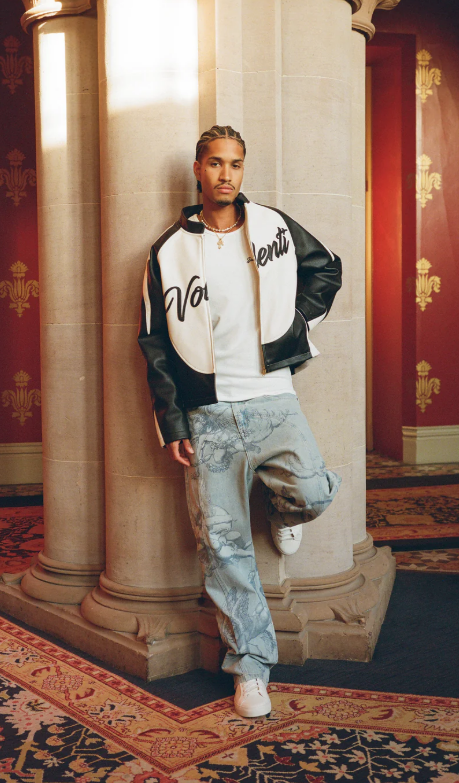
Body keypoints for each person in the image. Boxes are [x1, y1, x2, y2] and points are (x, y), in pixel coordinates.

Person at [138, 124, 342, 718]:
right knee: (222, 548)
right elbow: (154, 342)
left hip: (273, 397)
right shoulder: (168, 250)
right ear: (198, 169)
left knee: (311, 490)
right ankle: (251, 668)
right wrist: (173, 422)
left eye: (235, 164)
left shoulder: (273, 226)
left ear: (243, 170)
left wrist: (293, 328)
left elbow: (327, 270)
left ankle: (284, 510)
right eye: (215, 163)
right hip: (208, 413)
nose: (226, 174)